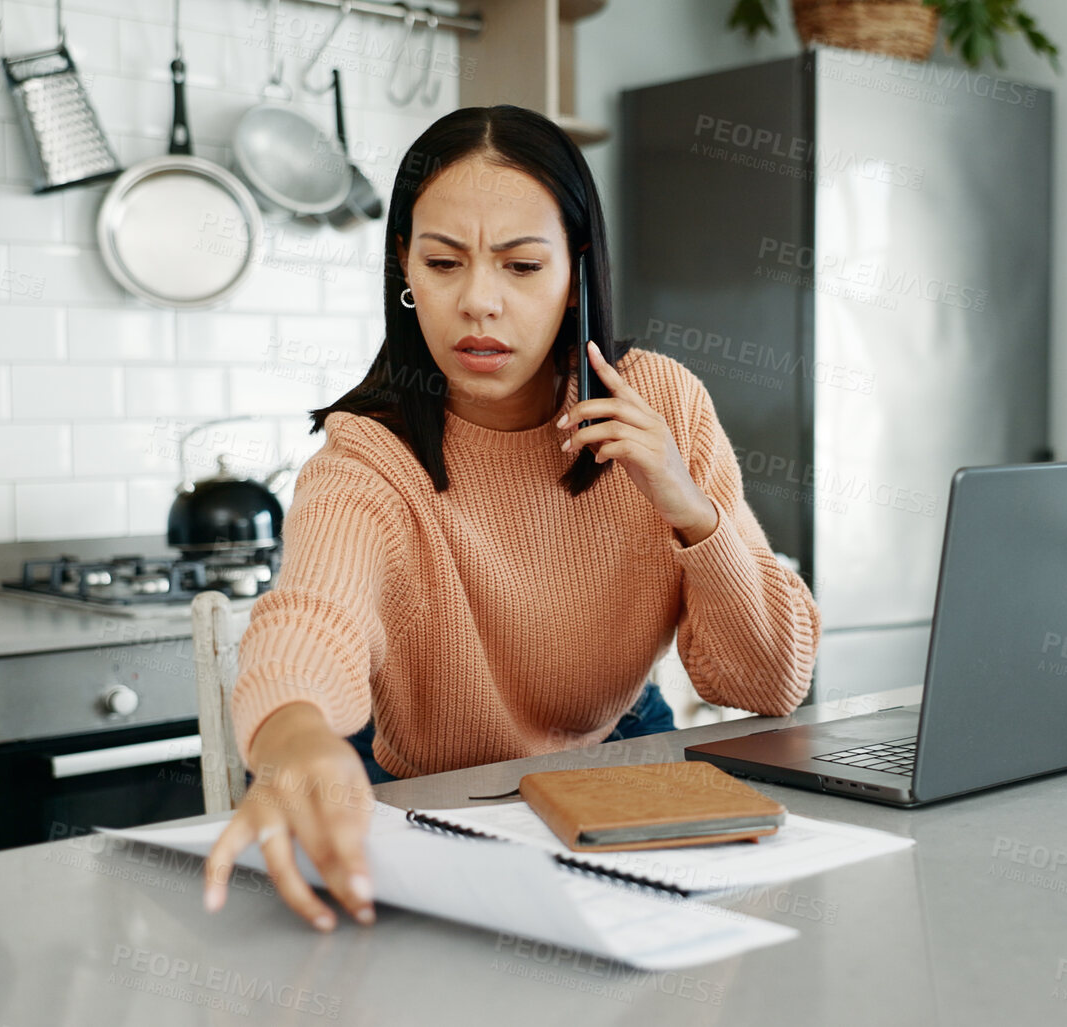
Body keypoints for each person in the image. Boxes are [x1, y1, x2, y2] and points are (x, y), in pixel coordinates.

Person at [202, 105, 820, 931]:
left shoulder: (661, 402)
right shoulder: (370, 456)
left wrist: (688, 506)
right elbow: (313, 615)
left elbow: (768, 681)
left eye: (522, 266)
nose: (478, 302)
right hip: (425, 795)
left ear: (575, 270)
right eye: (444, 262)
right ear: (404, 269)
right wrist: (291, 741)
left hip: (617, 765)